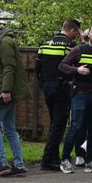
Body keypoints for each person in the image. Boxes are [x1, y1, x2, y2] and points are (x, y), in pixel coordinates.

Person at [58, 22, 92, 171]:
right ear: (89, 34)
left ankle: (90, 160)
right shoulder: (78, 50)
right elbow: (62, 66)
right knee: (76, 126)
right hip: (81, 93)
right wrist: (77, 70)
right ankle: (65, 159)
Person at [0, 16, 29, 178]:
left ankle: (2, 162)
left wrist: (6, 90)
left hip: (5, 92)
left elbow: (9, 67)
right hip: (5, 91)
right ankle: (18, 164)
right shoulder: (3, 41)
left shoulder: (4, 43)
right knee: (9, 129)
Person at [36, 18, 80, 171]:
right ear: (73, 31)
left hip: (47, 86)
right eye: (77, 33)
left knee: (54, 122)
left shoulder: (45, 44)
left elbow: (37, 67)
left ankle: (53, 156)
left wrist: (43, 84)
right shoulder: (70, 46)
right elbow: (74, 67)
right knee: (59, 124)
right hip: (62, 87)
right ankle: (48, 159)